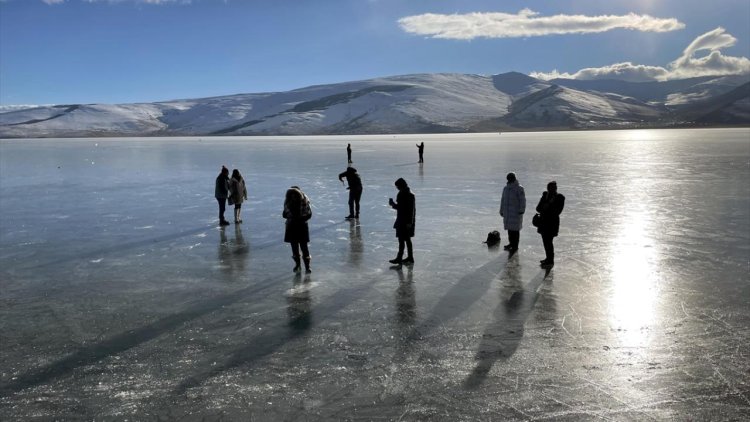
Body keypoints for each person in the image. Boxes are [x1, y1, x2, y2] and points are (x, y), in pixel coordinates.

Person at [283, 186, 313, 273]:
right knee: (299, 247)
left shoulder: (288, 201)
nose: (293, 197)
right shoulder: (305, 201)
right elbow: (309, 214)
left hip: (294, 226)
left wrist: (294, 218)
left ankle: (302, 266)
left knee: (300, 247)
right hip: (299, 226)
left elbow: (284, 214)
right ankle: (303, 266)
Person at [535, 181, 565, 268]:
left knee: (549, 242)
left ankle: (550, 260)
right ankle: (548, 258)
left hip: (552, 224)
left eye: (555, 187)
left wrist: (547, 207)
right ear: (548, 188)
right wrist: (546, 205)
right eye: (552, 187)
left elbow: (557, 212)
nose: (554, 189)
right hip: (543, 223)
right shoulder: (545, 196)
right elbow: (538, 208)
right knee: (546, 242)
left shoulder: (560, 198)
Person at [388, 178, 416, 265]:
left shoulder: (406, 194)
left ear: (401, 185)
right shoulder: (407, 193)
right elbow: (403, 207)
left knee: (402, 239)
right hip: (404, 220)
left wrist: (392, 204)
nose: (397, 188)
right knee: (406, 239)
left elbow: (408, 209)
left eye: (397, 186)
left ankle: (400, 258)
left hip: (404, 220)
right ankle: (409, 257)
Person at [499, 172, 526, 252]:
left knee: (515, 231)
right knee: (510, 230)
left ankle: (515, 246)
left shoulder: (519, 188)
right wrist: (501, 210)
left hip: (515, 213)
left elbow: (522, 200)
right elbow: (503, 200)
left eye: (511, 178)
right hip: (507, 213)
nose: (509, 179)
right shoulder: (506, 188)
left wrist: (522, 210)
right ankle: (511, 243)